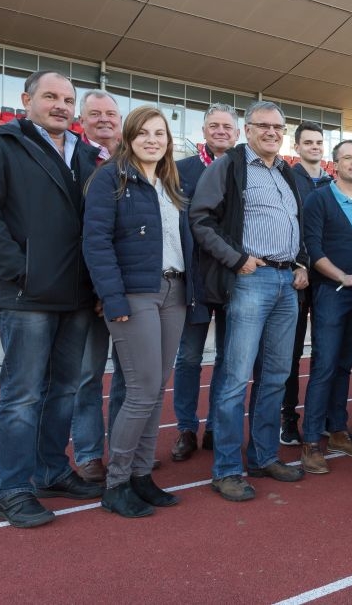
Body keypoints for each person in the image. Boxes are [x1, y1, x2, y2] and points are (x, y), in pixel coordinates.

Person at [0, 70, 103, 528]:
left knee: (64, 389)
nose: (61, 105)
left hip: (77, 294)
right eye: (50, 96)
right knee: (23, 394)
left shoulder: (86, 155)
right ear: (27, 99)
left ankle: (51, 470)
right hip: (27, 294)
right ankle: (13, 489)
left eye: (68, 99)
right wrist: (21, 270)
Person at [190, 101, 308, 502]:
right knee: (236, 377)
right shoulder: (229, 166)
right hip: (250, 281)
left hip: (286, 283)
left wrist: (301, 262)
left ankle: (263, 456)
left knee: (275, 376)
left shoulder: (285, 172)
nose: (272, 132)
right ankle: (226, 469)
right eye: (264, 126)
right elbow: (200, 218)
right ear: (247, 129)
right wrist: (236, 259)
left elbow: (294, 225)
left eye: (278, 127)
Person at [83, 106, 191, 517]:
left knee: (155, 389)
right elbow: (96, 242)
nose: (152, 140)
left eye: (159, 133)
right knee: (142, 390)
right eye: (143, 132)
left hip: (174, 291)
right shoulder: (110, 178)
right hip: (135, 294)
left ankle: (142, 476)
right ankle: (117, 483)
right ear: (129, 137)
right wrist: (112, 298)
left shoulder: (170, 183)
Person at [299, 140, 352, 474]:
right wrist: (343, 277)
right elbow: (313, 249)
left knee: (345, 363)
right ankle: (310, 441)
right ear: (335, 164)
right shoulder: (318, 200)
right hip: (331, 292)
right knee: (325, 365)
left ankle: (337, 431)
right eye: (348, 158)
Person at [170, 103, 239, 462]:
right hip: (194, 278)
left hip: (233, 277)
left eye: (227, 126)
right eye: (214, 126)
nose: (221, 131)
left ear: (237, 133)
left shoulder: (245, 170)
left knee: (228, 358)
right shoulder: (181, 170)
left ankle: (216, 425)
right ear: (204, 131)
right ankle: (186, 427)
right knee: (189, 356)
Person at [71, 89, 123, 484]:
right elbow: (85, 233)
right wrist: (100, 288)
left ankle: (123, 450)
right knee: (88, 376)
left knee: (129, 377)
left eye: (110, 113)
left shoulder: (136, 159)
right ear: (82, 119)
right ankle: (89, 455)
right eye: (95, 113)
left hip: (132, 290)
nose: (104, 119)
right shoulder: (72, 159)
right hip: (88, 291)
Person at [280, 122, 334, 446]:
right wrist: (299, 263)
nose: (314, 147)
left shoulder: (332, 183)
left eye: (318, 142)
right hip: (298, 277)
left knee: (324, 352)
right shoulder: (287, 178)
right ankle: (288, 418)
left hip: (327, 278)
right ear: (297, 147)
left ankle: (320, 415)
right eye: (308, 142)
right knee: (292, 351)